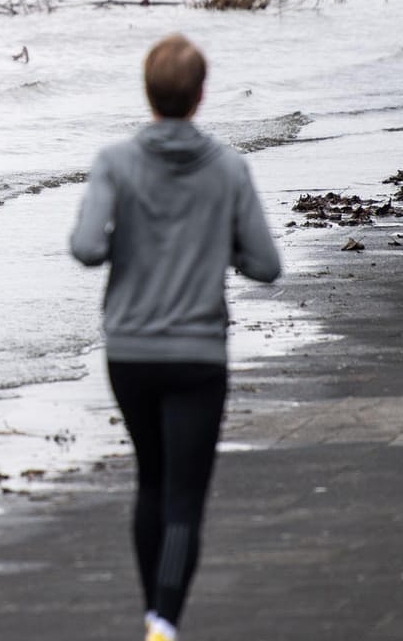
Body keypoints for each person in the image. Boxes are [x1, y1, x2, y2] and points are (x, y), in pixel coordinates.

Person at [69, 33, 282, 641]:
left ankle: (152, 617)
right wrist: (222, 248)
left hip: (130, 351)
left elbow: (85, 248)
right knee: (184, 497)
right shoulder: (230, 168)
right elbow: (266, 265)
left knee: (151, 481)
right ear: (200, 95)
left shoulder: (115, 161)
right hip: (196, 354)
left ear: (148, 91)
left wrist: (126, 241)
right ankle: (163, 621)